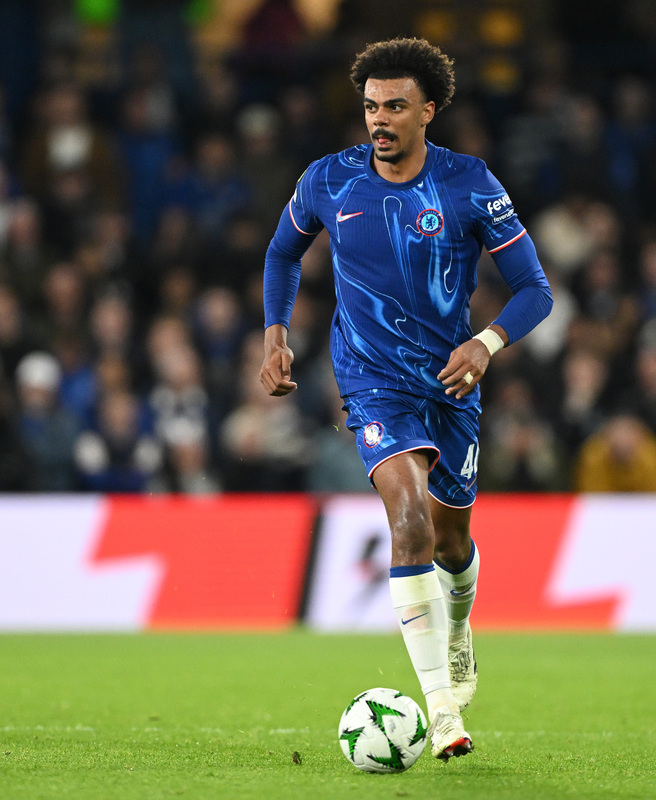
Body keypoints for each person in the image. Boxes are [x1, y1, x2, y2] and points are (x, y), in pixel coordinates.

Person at [258, 38, 552, 761]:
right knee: (410, 519)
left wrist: (485, 344)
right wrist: (275, 334)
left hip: (451, 385)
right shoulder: (329, 181)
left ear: (427, 111)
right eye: (370, 107)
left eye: (394, 107)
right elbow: (281, 253)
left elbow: (536, 291)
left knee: (453, 542)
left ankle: (458, 634)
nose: (379, 120)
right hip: (369, 378)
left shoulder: (470, 185)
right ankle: (443, 709)